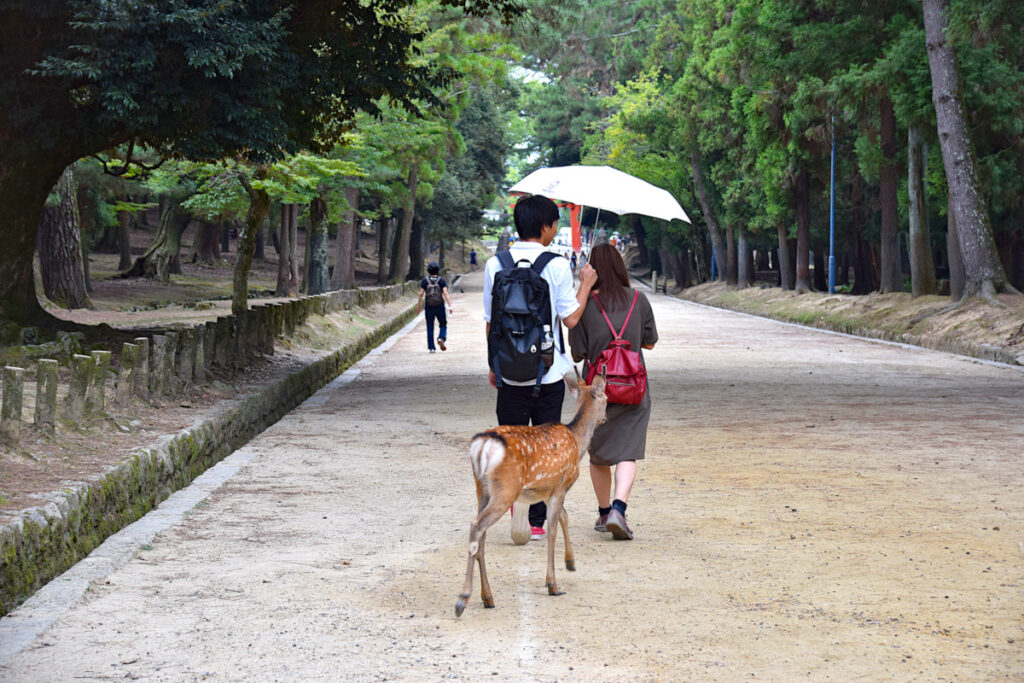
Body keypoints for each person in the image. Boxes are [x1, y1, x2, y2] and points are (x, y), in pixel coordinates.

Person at [483, 195, 597, 542]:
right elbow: (572, 318)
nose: (557, 229)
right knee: (546, 445)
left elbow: (491, 323)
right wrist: (587, 283)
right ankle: (535, 521)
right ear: (545, 227)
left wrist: (494, 365)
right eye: (555, 224)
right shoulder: (557, 265)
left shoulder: (495, 263)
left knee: (513, 443)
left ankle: (513, 506)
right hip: (547, 373)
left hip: (508, 372)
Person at [568, 244, 657, 541]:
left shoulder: (584, 304)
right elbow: (650, 343)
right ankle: (620, 508)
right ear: (621, 266)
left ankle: (605, 512)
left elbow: (579, 354)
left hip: (597, 391)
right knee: (627, 450)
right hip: (634, 385)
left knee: (599, 454)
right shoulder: (638, 299)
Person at [418, 262, 454, 353]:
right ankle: (441, 337)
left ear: (428, 270)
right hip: (439, 305)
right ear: (438, 270)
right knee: (443, 324)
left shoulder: (425, 280)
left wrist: (418, 305)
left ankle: (432, 348)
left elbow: (421, 293)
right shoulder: (441, 280)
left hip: (429, 306)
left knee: (430, 327)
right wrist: (450, 306)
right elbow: (445, 293)